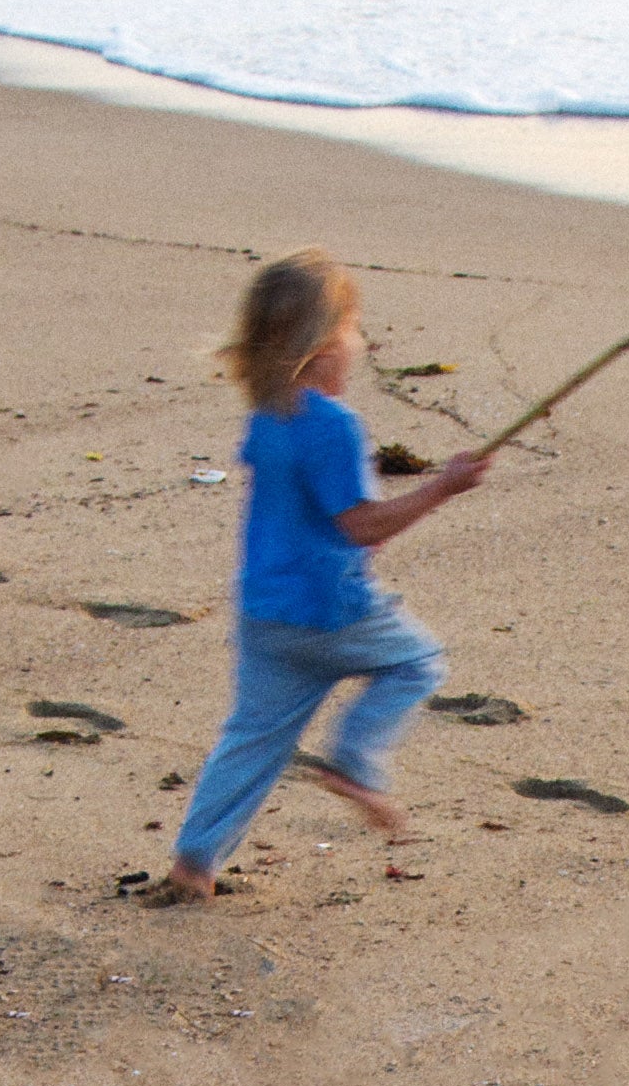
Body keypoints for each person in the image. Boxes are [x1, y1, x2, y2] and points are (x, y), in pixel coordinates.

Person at [155, 250, 486, 902]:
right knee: (416, 662)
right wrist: (444, 487)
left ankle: (193, 864)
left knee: (252, 739)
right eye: (353, 330)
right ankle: (356, 761)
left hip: (265, 611)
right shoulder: (332, 424)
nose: (359, 345)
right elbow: (360, 525)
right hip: (331, 608)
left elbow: (308, 514)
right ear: (323, 344)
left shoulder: (267, 416)